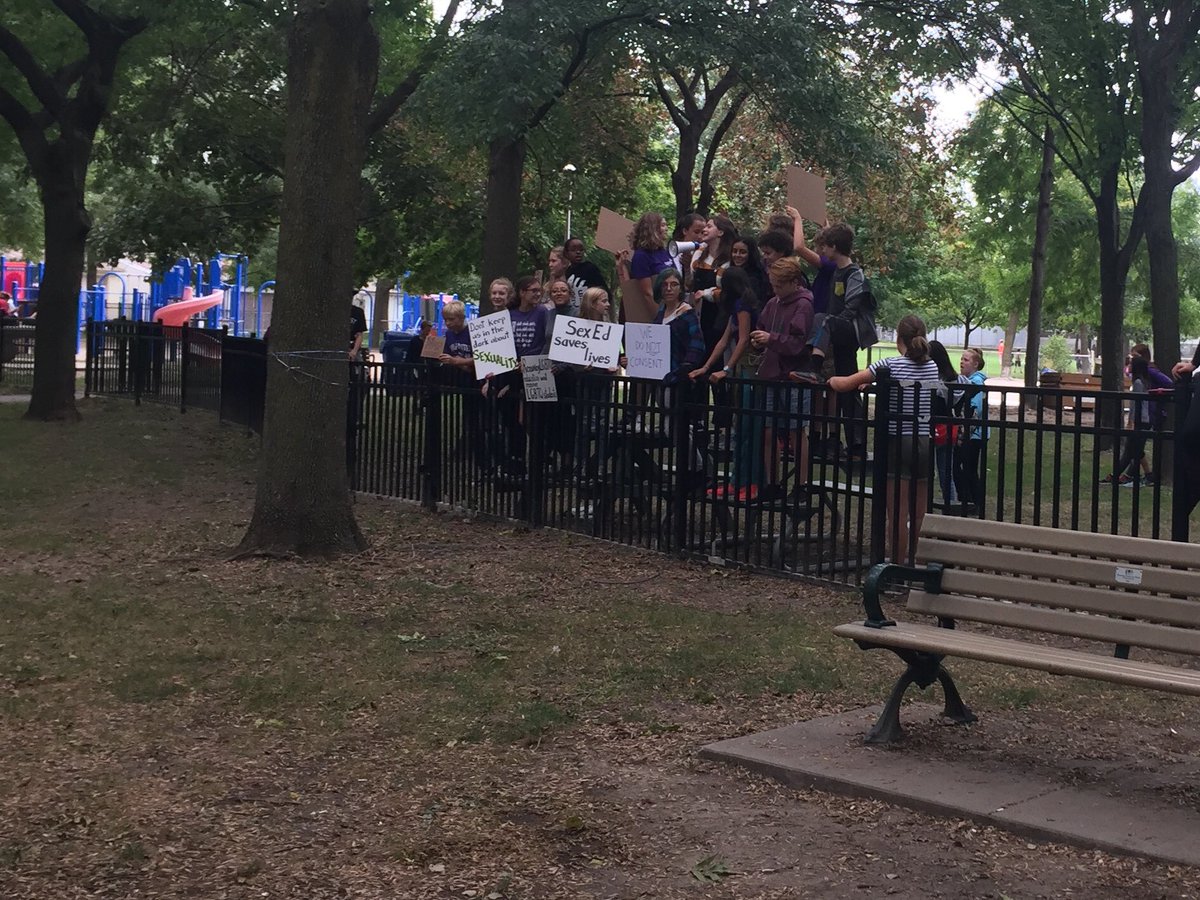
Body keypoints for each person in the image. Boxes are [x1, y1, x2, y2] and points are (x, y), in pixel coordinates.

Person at [829, 314, 938, 564]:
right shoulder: (931, 366)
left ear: (898, 338)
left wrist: (832, 380)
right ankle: (916, 562)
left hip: (898, 440)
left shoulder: (889, 365)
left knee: (896, 511)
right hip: (923, 439)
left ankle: (896, 564)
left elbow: (846, 383)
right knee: (918, 511)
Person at [691, 266, 763, 499]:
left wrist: (726, 368)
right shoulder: (735, 307)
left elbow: (742, 340)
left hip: (749, 370)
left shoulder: (743, 306)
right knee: (739, 428)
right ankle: (736, 479)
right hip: (739, 370)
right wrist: (705, 366)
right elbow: (723, 342)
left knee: (748, 428)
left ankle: (749, 481)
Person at [752, 257, 815, 501]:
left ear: (793, 282)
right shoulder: (772, 303)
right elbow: (763, 329)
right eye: (773, 285)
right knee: (768, 430)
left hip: (794, 375)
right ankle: (772, 482)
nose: (775, 290)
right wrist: (758, 341)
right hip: (770, 373)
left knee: (796, 431)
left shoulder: (804, 305)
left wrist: (771, 339)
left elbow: (799, 345)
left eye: (779, 285)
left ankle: (801, 485)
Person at [817, 222, 877, 457]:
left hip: (848, 331)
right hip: (838, 332)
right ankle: (855, 441)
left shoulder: (854, 273)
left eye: (825, 246)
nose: (822, 251)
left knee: (823, 319)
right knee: (846, 386)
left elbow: (851, 308)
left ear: (834, 247)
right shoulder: (836, 271)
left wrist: (831, 327)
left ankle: (814, 364)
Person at [1101, 353, 1156, 487]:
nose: (1129, 366)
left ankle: (1115, 476)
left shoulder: (1138, 383)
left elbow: (1134, 404)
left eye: (1131, 364)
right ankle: (1148, 476)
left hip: (1140, 420)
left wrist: (1131, 422)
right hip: (1145, 420)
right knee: (1136, 449)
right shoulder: (1145, 382)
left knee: (1131, 451)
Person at [688, 216, 737, 356]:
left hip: (718, 316)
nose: (704, 229)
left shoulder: (729, 260)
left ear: (721, 232)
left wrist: (706, 294)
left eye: (709, 226)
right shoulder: (698, 254)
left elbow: (727, 291)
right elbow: (691, 280)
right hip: (698, 313)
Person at [928, 340, 964, 510]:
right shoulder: (956, 378)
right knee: (946, 474)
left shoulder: (932, 379)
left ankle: (925, 507)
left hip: (932, 428)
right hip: (949, 429)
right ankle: (950, 508)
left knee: (926, 473)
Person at [619, 212, 673, 323]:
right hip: (658, 313)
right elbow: (647, 293)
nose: (666, 229)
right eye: (663, 225)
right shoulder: (641, 256)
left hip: (672, 308)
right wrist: (660, 319)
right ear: (652, 229)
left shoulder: (663, 251)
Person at [953, 347, 987, 511]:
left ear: (975, 364)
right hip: (972, 433)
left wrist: (964, 434)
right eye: (961, 359)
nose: (961, 362)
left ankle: (972, 501)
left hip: (974, 435)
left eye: (966, 360)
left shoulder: (976, 383)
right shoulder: (968, 381)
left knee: (966, 468)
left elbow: (976, 410)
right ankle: (970, 500)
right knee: (965, 467)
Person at [564, 237, 609, 316]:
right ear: (566, 253)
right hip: (574, 314)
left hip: (590, 313)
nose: (578, 252)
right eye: (573, 250)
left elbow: (603, 289)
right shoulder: (568, 272)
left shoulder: (590, 268)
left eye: (581, 250)